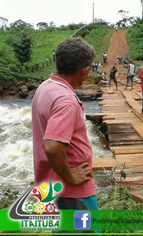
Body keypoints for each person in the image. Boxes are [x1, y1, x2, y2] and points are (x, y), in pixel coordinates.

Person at [32, 38, 98, 216]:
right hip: (73, 193)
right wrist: (70, 176)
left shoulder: (46, 87)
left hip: (51, 185)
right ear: (84, 70)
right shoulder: (66, 100)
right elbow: (52, 146)